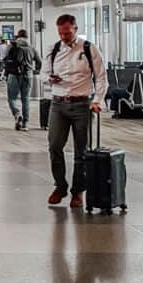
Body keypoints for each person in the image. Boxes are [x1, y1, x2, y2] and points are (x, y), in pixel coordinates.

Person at [44, 14, 107, 209]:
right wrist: (49, 78)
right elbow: (42, 73)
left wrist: (97, 101)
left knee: (82, 151)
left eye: (68, 33)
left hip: (82, 104)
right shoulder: (53, 49)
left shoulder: (89, 49)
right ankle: (60, 186)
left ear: (76, 29)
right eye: (61, 33)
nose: (64, 36)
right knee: (54, 146)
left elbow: (101, 77)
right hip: (58, 103)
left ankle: (77, 191)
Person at [4, 29, 42, 131]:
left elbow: (5, 58)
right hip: (27, 75)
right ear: (27, 37)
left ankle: (17, 113)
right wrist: (35, 71)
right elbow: (39, 62)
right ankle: (25, 124)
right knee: (25, 99)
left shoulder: (12, 46)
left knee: (12, 98)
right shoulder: (32, 48)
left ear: (18, 36)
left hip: (13, 74)